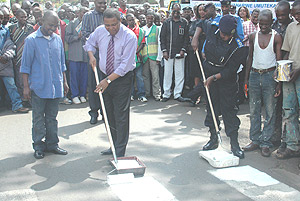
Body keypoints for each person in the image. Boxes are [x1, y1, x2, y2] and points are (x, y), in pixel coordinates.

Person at [84, 8, 137, 157]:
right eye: (107, 25)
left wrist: (107, 80)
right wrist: (91, 56)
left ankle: (120, 152)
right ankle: (113, 145)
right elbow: (89, 43)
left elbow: (125, 66)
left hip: (121, 79)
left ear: (120, 20)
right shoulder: (100, 31)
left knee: (120, 115)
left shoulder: (129, 37)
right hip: (104, 75)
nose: (111, 28)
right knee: (108, 114)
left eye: (114, 24)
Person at [193, 15, 246, 159]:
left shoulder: (238, 46)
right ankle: (213, 139)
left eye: (228, 34)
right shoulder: (212, 30)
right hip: (209, 72)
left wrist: (214, 78)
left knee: (229, 110)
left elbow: (231, 70)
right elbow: (201, 22)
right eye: (223, 33)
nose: (224, 36)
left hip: (226, 80)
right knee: (211, 108)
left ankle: (234, 144)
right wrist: (195, 37)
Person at [20, 10, 69, 159]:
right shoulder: (31, 40)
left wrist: (65, 82)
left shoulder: (57, 40)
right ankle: (38, 146)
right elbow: (25, 66)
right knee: (38, 118)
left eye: (55, 26)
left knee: (52, 118)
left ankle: (52, 144)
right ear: (41, 21)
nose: (52, 28)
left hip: (55, 86)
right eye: (50, 25)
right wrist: (26, 87)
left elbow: (62, 64)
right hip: (39, 87)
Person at [243, 9, 282, 157]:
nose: (263, 27)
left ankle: (266, 142)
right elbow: (249, 57)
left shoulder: (276, 37)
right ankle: (255, 140)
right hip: (254, 74)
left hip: (270, 76)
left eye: (266, 24)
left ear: (272, 23)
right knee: (254, 110)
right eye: (261, 24)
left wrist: (279, 83)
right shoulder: (253, 36)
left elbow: (279, 62)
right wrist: (246, 79)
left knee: (270, 111)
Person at [276, 1, 300, 160]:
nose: (296, 16)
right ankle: (293, 145)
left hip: (298, 72)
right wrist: (281, 71)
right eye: (294, 14)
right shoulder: (292, 27)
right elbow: (286, 52)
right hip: (291, 74)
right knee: (289, 110)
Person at [272, 0, 294, 148]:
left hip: (289, 68)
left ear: (289, 13)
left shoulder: (293, 26)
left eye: (283, 15)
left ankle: (288, 140)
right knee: (276, 105)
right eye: (278, 15)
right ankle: (275, 136)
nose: (280, 18)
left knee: (288, 108)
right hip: (272, 68)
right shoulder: (272, 25)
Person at [81, 0, 107, 124]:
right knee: (94, 84)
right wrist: (97, 45)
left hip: (108, 56)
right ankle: (94, 112)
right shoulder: (88, 16)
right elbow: (85, 35)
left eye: (104, 3)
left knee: (106, 83)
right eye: (100, 3)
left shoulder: (109, 14)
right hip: (93, 56)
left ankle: (105, 112)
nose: (102, 6)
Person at [0, 10, 29, 114]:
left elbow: (10, 44)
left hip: (5, 63)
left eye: (1, 18)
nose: (0, 20)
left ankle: (17, 105)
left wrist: (6, 55)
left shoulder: (5, 30)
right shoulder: (10, 29)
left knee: (11, 85)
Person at [160, 3, 189, 102]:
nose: (176, 13)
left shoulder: (184, 22)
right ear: (171, 11)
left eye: (178, 11)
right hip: (168, 53)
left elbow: (186, 38)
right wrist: (164, 51)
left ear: (180, 11)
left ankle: (177, 94)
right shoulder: (167, 22)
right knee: (167, 74)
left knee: (180, 74)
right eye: (174, 11)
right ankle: (166, 94)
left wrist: (183, 49)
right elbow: (162, 38)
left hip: (180, 53)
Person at [9, 9, 35, 107]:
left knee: (30, 80)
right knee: (20, 81)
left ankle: (31, 100)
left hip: (29, 58)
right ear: (16, 17)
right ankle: (23, 100)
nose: (24, 19)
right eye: (22, 17)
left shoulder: (30, 28)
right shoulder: (12, 29)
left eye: (25, 17)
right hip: (17, 58)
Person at [65, 7, 89, 104]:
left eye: (87, 13)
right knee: (74, 76)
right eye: (83, 12)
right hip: (74, 55)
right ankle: (75, 95)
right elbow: (67, 38)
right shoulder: (72, 24)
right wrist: (77, 37)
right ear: (78, 13)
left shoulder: (88, 24)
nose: (85, 14)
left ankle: (82, 94)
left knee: (84, 77)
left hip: (85, 55)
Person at [141, 10, 161, 101]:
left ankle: (157, 94)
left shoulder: (157, 29)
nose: (149, 20)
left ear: (153, 19)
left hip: (154, 56)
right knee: (145, 76)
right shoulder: (142, 29)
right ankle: (147, 93)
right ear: (145, 19)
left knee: (155, 76)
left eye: (151, 18)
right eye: (148, 18)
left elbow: (160, 44)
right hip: (145, 56)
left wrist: (159, 57)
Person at [126, 13, 147, 102]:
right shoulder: (124, 31)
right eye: (130, 20)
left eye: (133, 19)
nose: (132, 21)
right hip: (128, 58)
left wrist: (136, 53)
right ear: (127, 21)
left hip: (138, 57)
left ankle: (141, 95)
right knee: (130, 77)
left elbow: (142, 43)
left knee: (139, 76)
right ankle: (130, 94)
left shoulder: (140, 30)